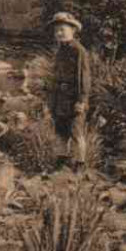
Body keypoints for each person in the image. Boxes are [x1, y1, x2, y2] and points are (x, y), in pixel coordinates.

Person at [48, 12, 91, 164]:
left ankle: (80, 163)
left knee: (76, 132)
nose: (59, 33)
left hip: (73, 98)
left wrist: (82, 100)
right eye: (56, 30)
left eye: (62, 29)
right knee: (61, 131)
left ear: (72, 30)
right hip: (60, 98)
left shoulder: (78, 51)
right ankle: (62, 161)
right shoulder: (60, 51)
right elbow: (55, 77)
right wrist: (51, 100)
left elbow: (83, 78)